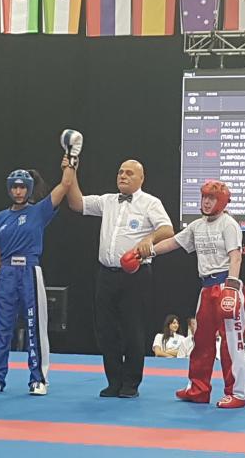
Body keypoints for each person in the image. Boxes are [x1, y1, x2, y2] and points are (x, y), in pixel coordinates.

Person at [66, 158, 174, 399]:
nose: (123, 176)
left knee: (133, 329)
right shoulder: (107, 201)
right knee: (106, 330)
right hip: (106, 274)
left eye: (129, 173)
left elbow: (167, 229)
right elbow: (76, 203)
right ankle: (113, 382)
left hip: (135, 275)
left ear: (141, 179)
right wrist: (71, 170)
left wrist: (149, 239)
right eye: (120, 172)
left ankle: (131, 383)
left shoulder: (150, 202)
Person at [0, 152, 76, 397]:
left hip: (30, 271)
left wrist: (71, 160)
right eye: (14, 187)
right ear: (9, 189)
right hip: (6, 273)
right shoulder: (0, 218)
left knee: (35, 326)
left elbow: (65, 185)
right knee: (2, 327)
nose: (18, 191)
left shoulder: (39, 211)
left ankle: (38, 379)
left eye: (22, 187)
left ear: (29, 189)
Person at [150, 180, 245, 408]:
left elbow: (235, 257)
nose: (206, 202)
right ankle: (198, 389)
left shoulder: (229, 224)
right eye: (204, 197)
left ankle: (238, 393)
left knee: (231, 343)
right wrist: (147, 252)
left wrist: (232, 288)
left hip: (226, 285)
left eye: (211, 198)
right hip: (206, 289)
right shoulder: (197, 226)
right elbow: (173, 242)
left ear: (221, 201)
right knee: (201, 341)